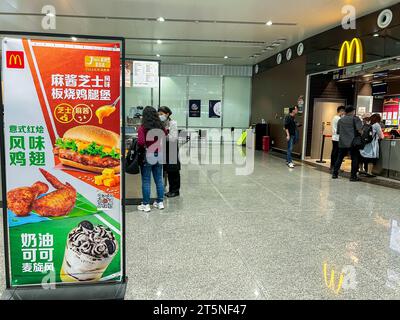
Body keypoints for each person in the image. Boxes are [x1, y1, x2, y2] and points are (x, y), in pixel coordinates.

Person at [137, 106, 167, 212]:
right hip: (159, 154)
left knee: (146, 180)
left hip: (148, 155)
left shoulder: (143, 128)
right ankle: (160, 202)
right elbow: (165, 134)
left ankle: (146, 204)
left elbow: (140, 142)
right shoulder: (161, 127)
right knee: (159, 179)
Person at [332, 106, 363, 182]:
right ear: (353, 111)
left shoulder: (341, 120)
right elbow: (360, 130)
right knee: (355, 158)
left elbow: (338, 132)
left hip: (342, 142)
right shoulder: (356, 119)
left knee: (339, 158)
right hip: (353, 143)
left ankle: (335, 174)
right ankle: (353, 176)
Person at [158, 106, 181, 198]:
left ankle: (175, 190)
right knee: (165, 169)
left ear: (167, 114)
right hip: (163, 148)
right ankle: (165, 188)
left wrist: (162, 135)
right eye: (158, 114)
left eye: (161, 114)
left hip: (171, 147)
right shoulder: (160, 123)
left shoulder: (173, 123)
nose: (160, 116)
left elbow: (173, 137)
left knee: (173, 170)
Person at [360, 113, 385, 178]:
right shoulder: (377, 125)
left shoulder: (369, 124)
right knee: (371, 158)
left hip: (366, 143)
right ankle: (369, 172)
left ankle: (364, 170)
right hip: (372, 144)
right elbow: (381, 136)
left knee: (366, 157)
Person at [330, 106, 345, 172]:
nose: (344, 113)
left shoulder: (334, 117)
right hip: (338, 138)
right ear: (341, 111)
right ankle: (335, 167)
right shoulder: (338, 118)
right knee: (337, 153)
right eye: (344, 111)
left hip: (334, 137)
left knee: (334, 152)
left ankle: (333, 166)